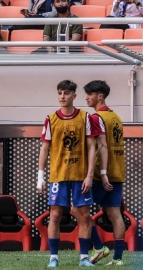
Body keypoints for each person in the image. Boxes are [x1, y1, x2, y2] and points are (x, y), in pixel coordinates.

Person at [37, 79, 97, 268]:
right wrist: (40, 176)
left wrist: (89, 175)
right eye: (60, 93)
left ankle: (84, 258)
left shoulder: (85, 117)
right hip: (58, 175)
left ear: (74, 96)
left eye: (66, 93)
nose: (63, 97)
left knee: (84, 215)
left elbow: (91, 148)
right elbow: (44, 149)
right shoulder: (51, 118)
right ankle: (53, 257)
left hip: (80, 176)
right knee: (55, 215)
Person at [83, 80, 126, 267]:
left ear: (100, 96)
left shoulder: (95, 118)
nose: (87, 97)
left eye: (90, 94)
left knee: (78, 209)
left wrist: (93, 173)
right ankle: (118, 259)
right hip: (118, 171)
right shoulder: (116, 117)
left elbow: (101, 147)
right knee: (115, 214)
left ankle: (99, 246)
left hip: (102, 174)